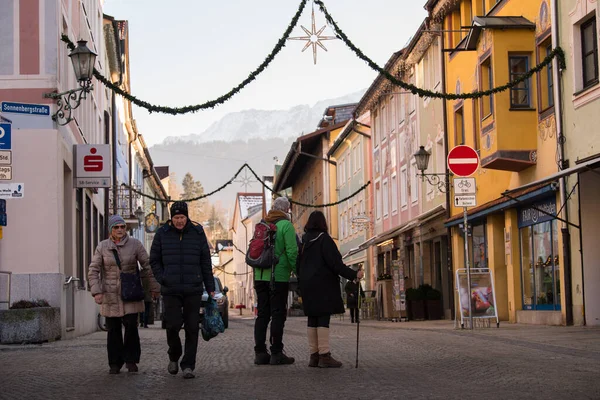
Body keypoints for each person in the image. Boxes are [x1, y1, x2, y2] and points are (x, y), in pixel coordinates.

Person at [88, 214, 160, 375]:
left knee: (131, 328)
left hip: (131, 292)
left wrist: (154, 287)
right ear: (110, 230)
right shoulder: (102, 247)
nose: (120, 230)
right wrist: (97, 291)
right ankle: (114, 363)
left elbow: (147, 266)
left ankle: (131, 360)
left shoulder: (135, 244)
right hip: (110, 293)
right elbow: (93, 270)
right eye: (116, 227)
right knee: (113, 329)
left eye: (122, 227)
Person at [150, 201, 215, 379]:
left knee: (192, 327)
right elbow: (154, 260)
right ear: (171, 218)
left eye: (182, 217)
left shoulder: (197, 232)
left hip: (193, 287)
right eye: (176, 217)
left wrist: (210, 287)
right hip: (171, 288)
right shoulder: (162, 233)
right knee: (172, 325)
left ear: (187, 217)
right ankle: (174, 355)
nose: (180, 221)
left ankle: (188, 365)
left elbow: (205, 262)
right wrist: (163, 278)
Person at [298, 211, 364, 368]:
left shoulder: (304, 242)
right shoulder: (324, 240)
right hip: (323, 284)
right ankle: (324, 356)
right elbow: (336, 264)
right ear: (323, 223)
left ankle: (314, 356)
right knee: (322, 318)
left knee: (312, 318)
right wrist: (354, 274)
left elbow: (297, 264)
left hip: (307, 285)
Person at [254, 196, 298, 365]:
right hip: (278, 276)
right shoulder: (286, 225)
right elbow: (292, 252)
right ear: (286, 209)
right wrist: (297, 271)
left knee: (263, 314)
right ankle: (276, 352)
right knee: (278, 314)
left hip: (260, 276)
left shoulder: (262, 224)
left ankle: (259, 352)